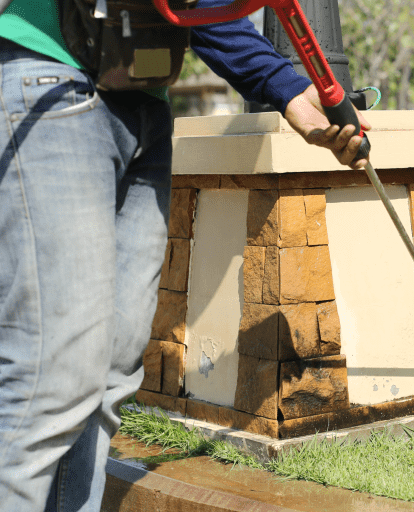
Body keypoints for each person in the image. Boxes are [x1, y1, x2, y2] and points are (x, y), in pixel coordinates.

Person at [0, 1, 370, 509]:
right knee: (52, 377)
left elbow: (196, 7)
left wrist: (289, 91)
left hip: (142, 103)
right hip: (52, 78)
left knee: (112, 375)